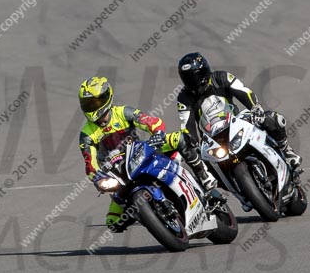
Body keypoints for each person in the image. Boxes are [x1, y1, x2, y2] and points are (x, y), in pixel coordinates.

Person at [79, 76, 216, 232]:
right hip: (118, 173)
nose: (91, 107)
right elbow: (89, 162)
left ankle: (204, 177)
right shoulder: (86, 134)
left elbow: (149, 120)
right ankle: (144, 215)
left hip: (140, 153)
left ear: (106, 97)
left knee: (180, 138)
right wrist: (97, 177)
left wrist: (157, 132)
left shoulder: (122, 112)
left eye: (95, 102)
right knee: (112, 222)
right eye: (87, 104)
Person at [176, 52, 302, 170]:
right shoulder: (184, 98)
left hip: (236, 121)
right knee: (201, 164)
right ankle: (213, 191)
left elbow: (243, 92)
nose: (193, 82)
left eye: (196, 77)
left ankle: (286, 150)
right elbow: (187, 125)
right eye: (188, 79)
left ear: (204, 71)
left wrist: (255, 108)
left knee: (273, 119)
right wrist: (191, 143)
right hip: (212, 139)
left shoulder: (221, 77)